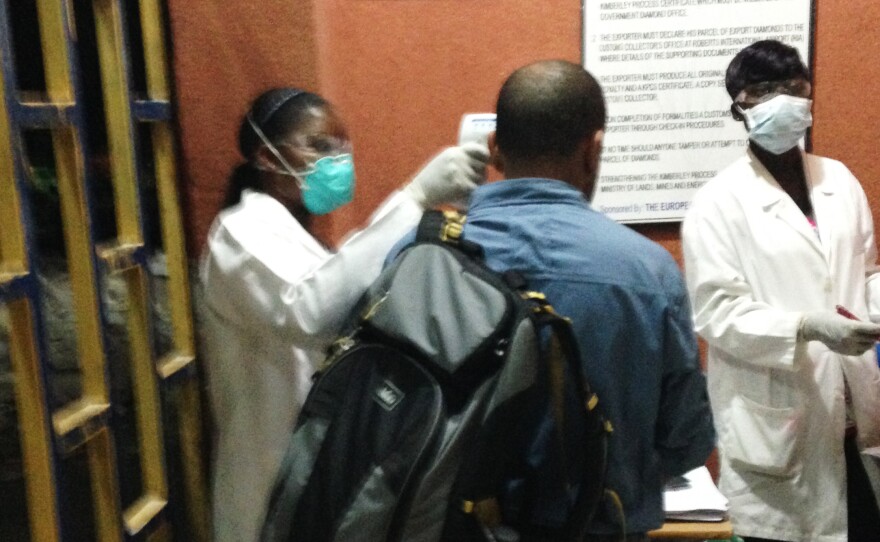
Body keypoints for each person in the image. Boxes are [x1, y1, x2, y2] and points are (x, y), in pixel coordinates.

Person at [414, 60, 715, 541]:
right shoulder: (648, 271)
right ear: (593, 150)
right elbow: (686, 442)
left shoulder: (420, 251)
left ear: (493, 148)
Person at [198, 87, 488, 542]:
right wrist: (413, 198)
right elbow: (312, 314)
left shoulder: (295, 238)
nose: (337, 159)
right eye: (319, 145)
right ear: (266, 157)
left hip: (311, 477)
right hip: (265, 483)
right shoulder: (239, 233)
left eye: (343, 147)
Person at [681, 40, 880, 542]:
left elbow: (866, 270)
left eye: (794, 88)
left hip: (857, 421)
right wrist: (806, 326)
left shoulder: (839, 180)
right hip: (780, 428)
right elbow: (716, 312)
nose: (784, 101)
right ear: (739, 107)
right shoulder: (717, 204)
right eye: (766, 91)